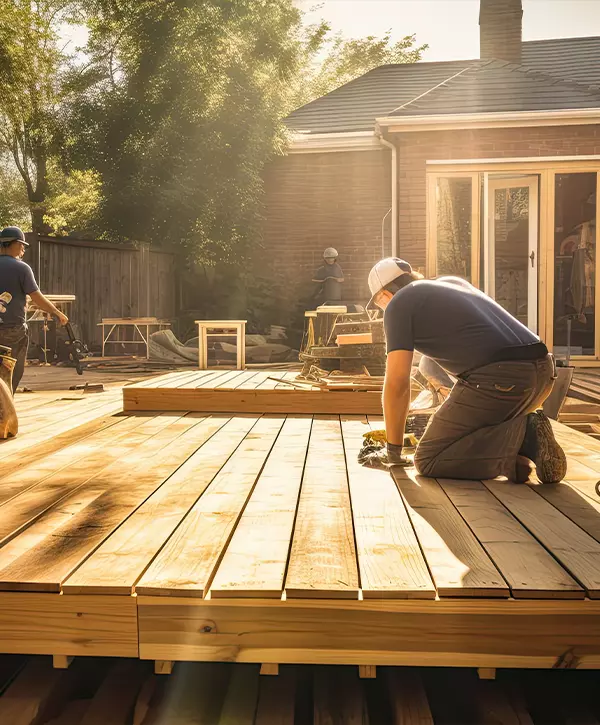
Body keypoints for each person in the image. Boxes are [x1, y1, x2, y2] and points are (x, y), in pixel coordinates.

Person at [362, 257, 566, 485]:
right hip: (543, 373)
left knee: (429, 458)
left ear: (383, 296)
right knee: (461, 437)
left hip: (502, 379)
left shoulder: (398, 304)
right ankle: (523, 450)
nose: (382, 312)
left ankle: (525, 437)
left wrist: (393, 451)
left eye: (379, 306)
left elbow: (397, 383)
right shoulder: (450, 283)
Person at [0, 227, 68, 393]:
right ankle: (4, 412)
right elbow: (36, 297)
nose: (23, 249)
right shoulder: (21, 268)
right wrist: (57, 313)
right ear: (12, 244)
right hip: (12, 330)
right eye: (22, 244)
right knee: (11, 373)